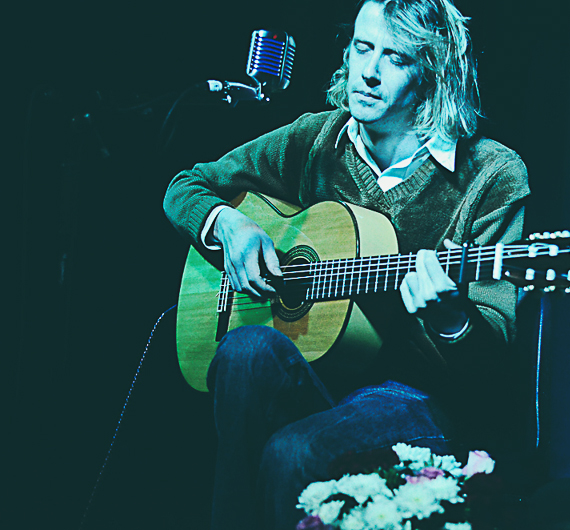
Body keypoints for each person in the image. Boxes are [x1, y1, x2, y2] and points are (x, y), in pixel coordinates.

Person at [163, 0, 530, 528]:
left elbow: (497, 349)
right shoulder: (316, 138)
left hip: (415, 394)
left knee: (294, 451)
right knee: (243, 348)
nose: (369, 72)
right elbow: (186, 186)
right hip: (315, 374)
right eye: (362, 48)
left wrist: (452, 319)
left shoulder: (490, 174)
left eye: (396, 58)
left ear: (434, 73)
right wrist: (230, 225)